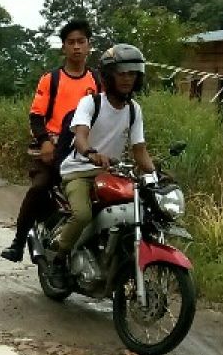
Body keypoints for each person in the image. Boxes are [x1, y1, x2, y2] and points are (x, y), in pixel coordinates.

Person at [0, 19, 101, 262]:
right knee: (38, 188)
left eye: (81, 42)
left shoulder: (98, 80)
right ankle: (18, 242)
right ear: (63, 47)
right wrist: (44, 141)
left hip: (86, 150)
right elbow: (36, 116)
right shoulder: (51, 79)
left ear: (89, 46)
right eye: (71, 42)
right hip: (54, 150)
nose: (76, 47)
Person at [52, 43, 155, 270]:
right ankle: (59, 258)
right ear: (109, 76)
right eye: (121, 74)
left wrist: (156, 174)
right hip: (78, 171)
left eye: (132, 74)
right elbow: (80, 137)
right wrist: (91, 153)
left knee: (134, 213)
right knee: (81, 215)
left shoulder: (134, 109)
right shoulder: (91, 102)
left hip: (110, 175)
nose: (127, 79)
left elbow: (140, 151)